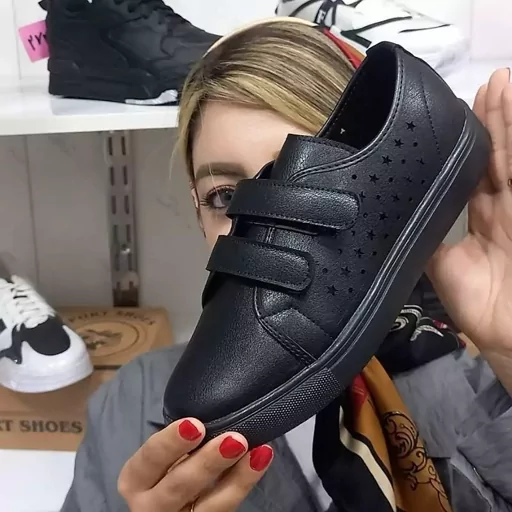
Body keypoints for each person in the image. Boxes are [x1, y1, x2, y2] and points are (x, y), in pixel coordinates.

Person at [61, 18, 512, 512]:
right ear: (196, 208)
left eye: (298, 191)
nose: (257, 226)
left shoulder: (484, 386)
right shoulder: (132, 402)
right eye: (226, 196)